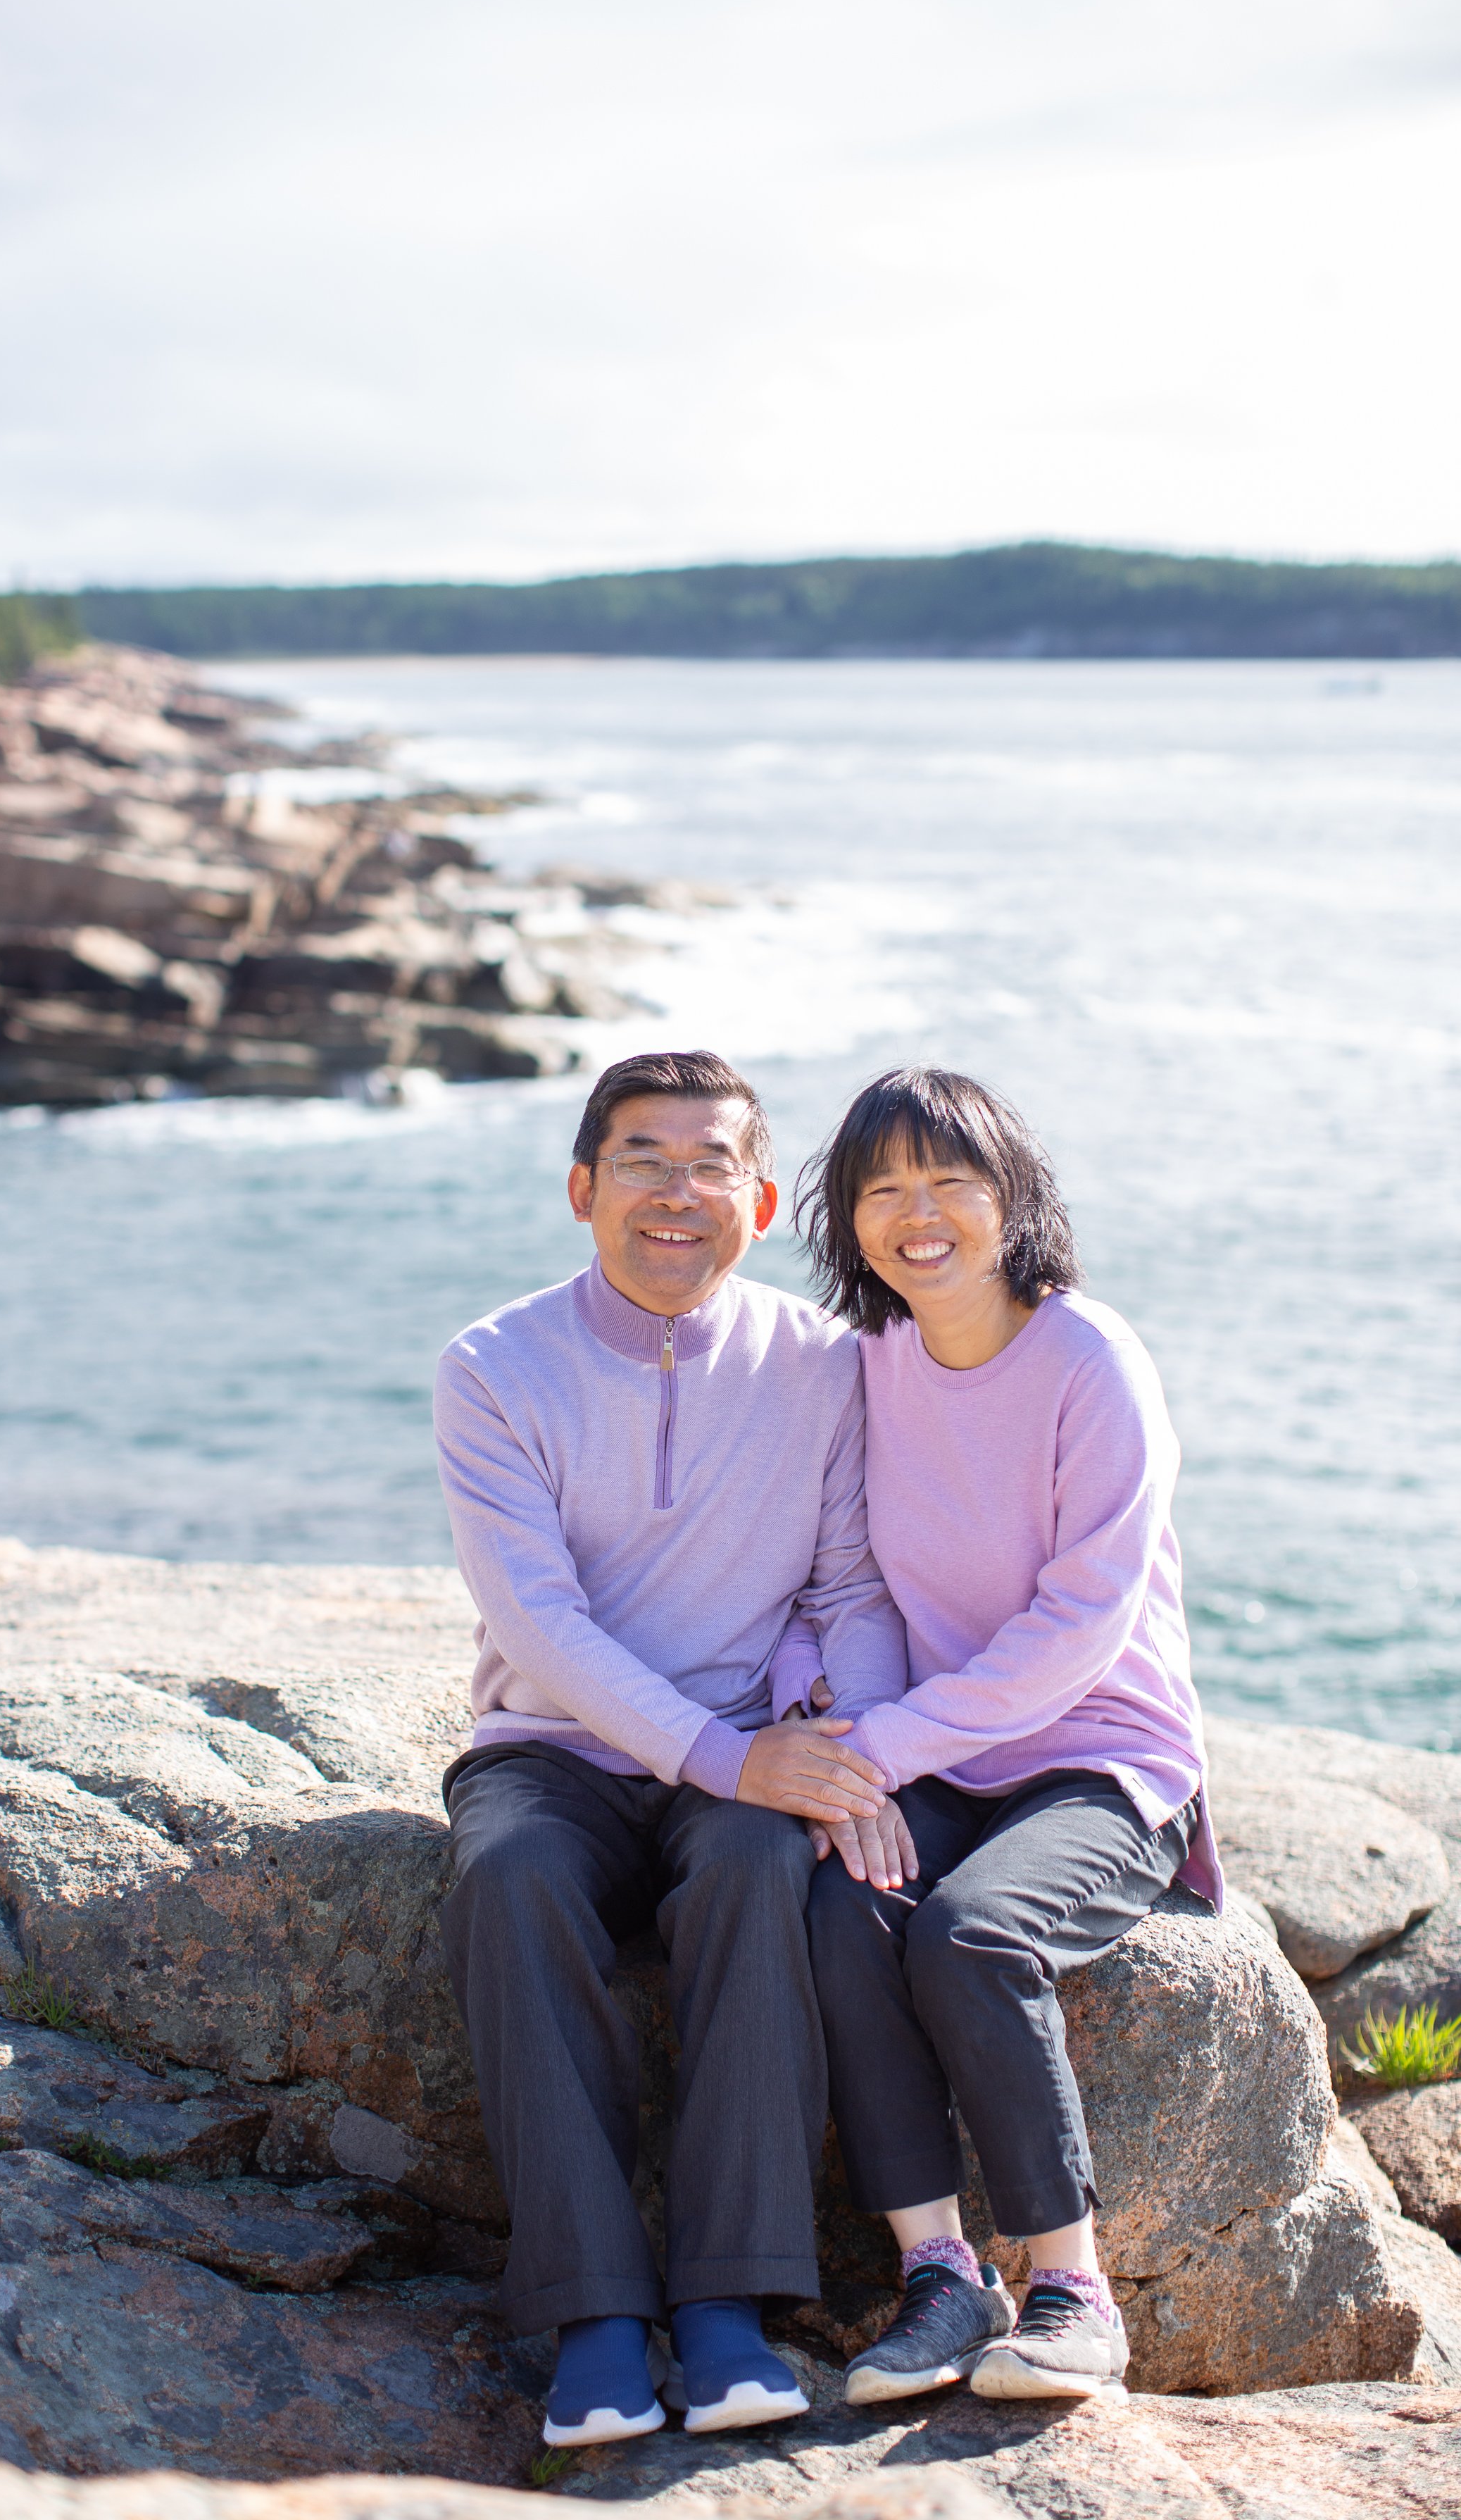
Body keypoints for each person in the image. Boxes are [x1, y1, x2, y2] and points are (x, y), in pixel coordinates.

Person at [434, 1049, 908, 2449]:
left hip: (750, 1760)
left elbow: (852, 1591)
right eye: (645, 1159)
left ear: (760, 1205)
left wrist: (846, 1759)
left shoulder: (824, 1365)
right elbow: (538, 1617)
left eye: (712, 1167)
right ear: (584, 1187)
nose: (677, 1192)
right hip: (553, 1753)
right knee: (508, 1879)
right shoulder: (493, 1367)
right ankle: (593, 2313)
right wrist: (725, 1753)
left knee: (768, 1872)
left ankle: (728, 2302)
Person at [779, 1065, 1222, 2405]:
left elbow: (1083, 1624)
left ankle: (1073, 2293)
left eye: (949, 1180)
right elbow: (816, 1573)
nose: (919, 1214)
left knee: (971, 1929)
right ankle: (941, 2279)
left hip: (1106, 1757)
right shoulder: (866, 1363)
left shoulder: (1091, 1358)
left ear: (1010, 1196)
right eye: (882, 1188)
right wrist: (830, 1719)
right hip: (939, 1755)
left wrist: (886, 1747)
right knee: (842, 1905)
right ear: (849, 1221)